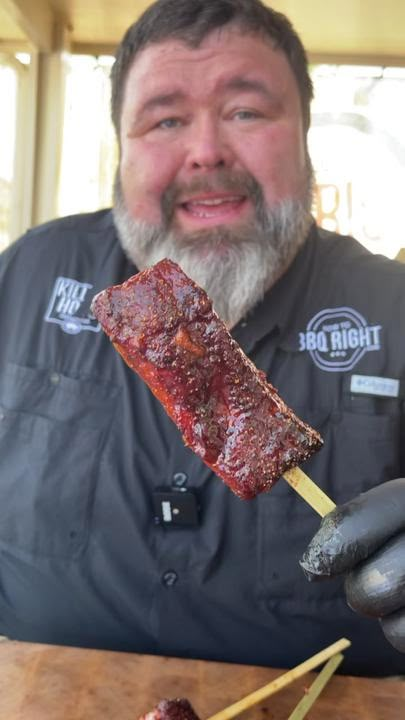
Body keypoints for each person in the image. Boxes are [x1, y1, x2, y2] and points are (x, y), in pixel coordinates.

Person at [0, 0, 404, 677]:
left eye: (246, 111)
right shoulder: (27, 274)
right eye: (164, 120)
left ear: (303, 135)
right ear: (119, 149)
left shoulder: (390, 305)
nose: (207, 151)